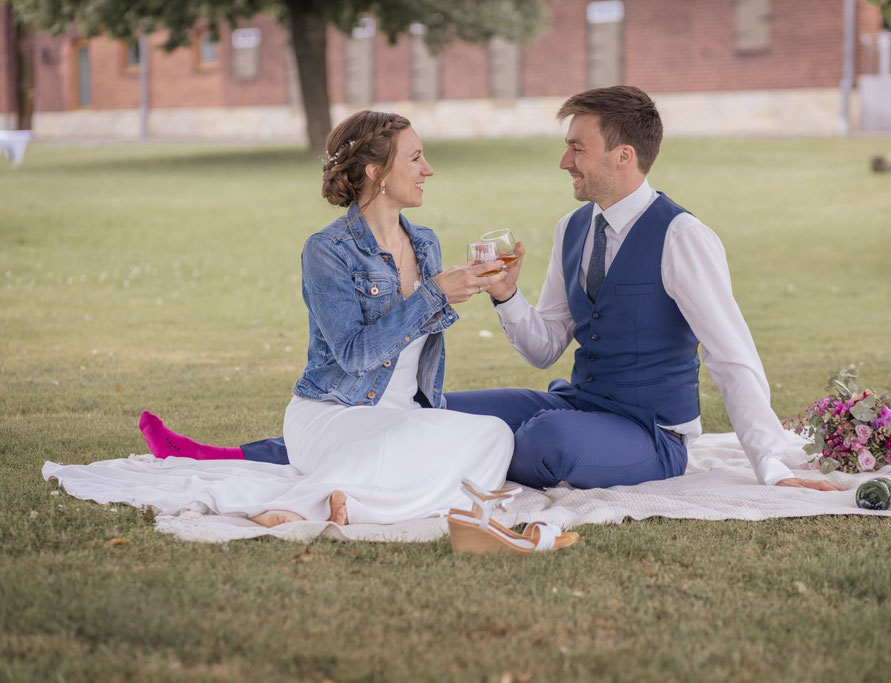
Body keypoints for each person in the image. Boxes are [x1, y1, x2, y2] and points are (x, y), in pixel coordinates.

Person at [142, 87, 840, 494]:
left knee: (548, 444)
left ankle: (501, 446)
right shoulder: (574, 227)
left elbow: (733, 355)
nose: (563, 159)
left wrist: (769, 457)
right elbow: (544, 351)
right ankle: (248, 453)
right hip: (575, 399)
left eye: (578, 147)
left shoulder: (685, 237)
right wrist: (507, 297)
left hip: (656, 433)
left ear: (623, 158)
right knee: (430, 410)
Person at [48, 110, 519, 527]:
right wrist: (434, 293)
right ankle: (304, 502)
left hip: (402, 418)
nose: (428, 169)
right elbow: (356, 356)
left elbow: (420, 338)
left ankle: (356, 505)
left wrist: (479, 286)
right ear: (376, 171)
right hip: (331, 415)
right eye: (415, 158)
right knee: (414, 444)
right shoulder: (327, 251)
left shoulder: (426, 243)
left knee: (493, 435)